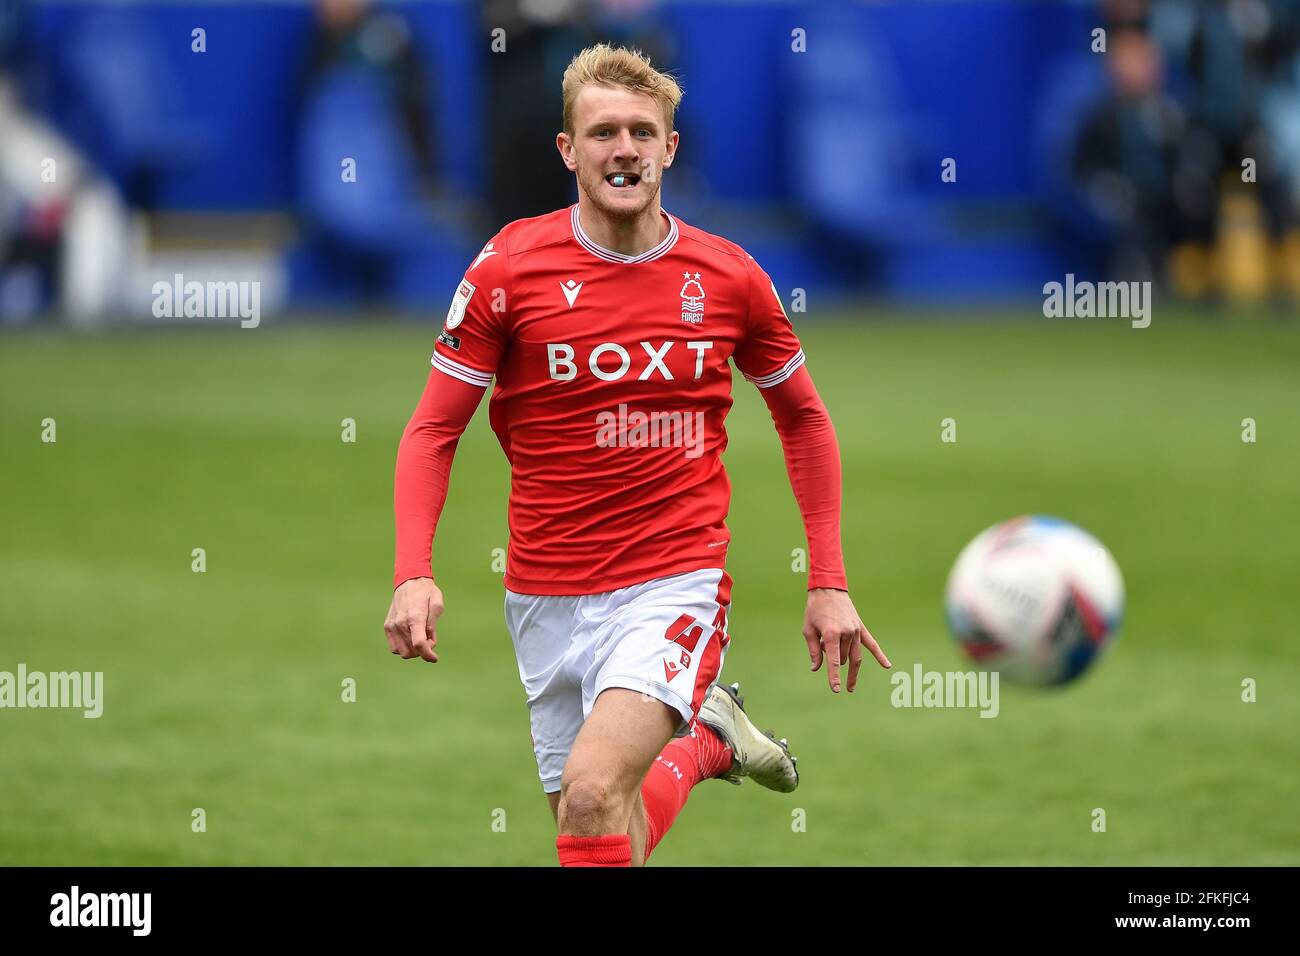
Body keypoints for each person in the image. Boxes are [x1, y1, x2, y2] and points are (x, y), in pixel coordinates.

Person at [384, 43, 890, 868]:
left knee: (590, 794)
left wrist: (828, 580)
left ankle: (697, 725)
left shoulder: (728, 278)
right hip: (544, 591)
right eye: (604, 132)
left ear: (669, 148)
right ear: (568, 151)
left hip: (673, 578)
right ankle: (703, 743)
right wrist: (414, 568)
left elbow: (802, 418)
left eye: (642, 132)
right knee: (603, 826)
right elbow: (434, 428)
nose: (624, 149)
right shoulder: (508, 269)